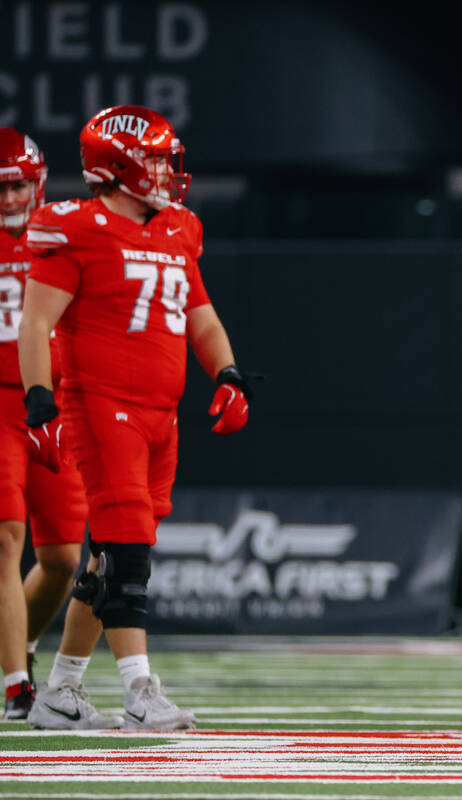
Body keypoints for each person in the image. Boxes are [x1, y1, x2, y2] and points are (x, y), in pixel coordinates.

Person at [19, 104, 253, 731]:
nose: (165, 169)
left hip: (160, 413)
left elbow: (199, 313)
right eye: (153, 158)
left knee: (107, 553)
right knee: (128, 554)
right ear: (118, 165)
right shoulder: (77, 228)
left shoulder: (178, 227)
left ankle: (61, 691)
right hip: (101, 405)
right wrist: (39, 400)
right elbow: (36, 321)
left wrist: (226, 373)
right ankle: (139, 689)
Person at [0, 129, 89, 720]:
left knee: (60, 557)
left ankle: (20, 651)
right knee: (6, 538)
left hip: (55, 405)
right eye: (0, 188)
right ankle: (15, 687)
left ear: (40, 180)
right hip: (1, 406)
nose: (10, 199)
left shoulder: (66, 234)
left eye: (19, 185)